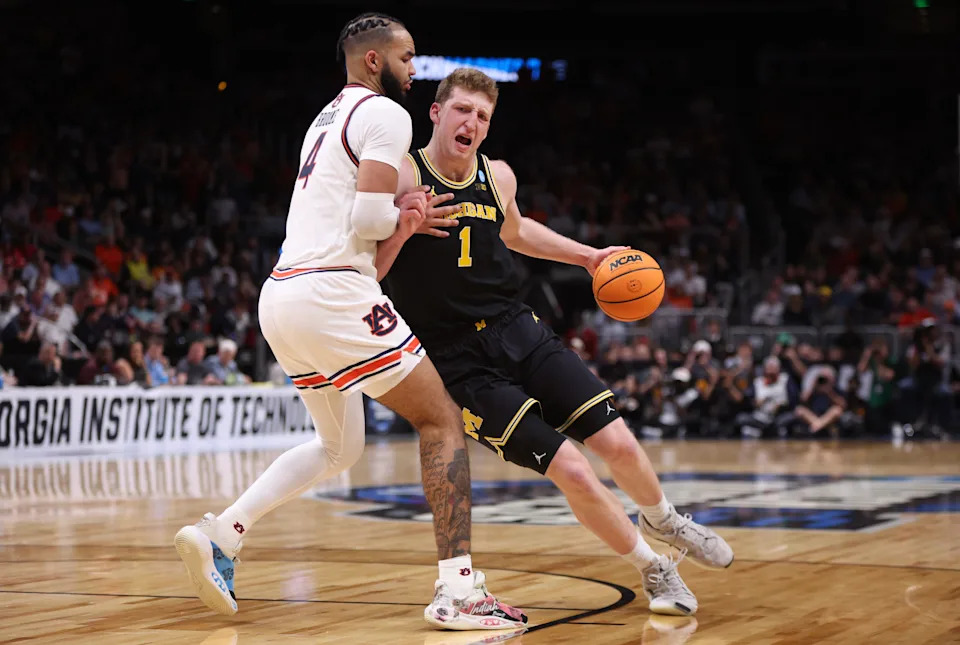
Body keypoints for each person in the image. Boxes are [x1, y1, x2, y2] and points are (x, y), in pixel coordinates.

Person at [173, 15, 525, 632]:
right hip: (333, 292)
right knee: (441, 419)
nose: (415, 69)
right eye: (408, 57)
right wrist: (400, 208)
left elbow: (366, 232)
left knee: (340, 447)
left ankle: (222, 534)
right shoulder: (388, 115)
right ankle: (458, 591)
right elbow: (366, 221)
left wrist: (403, 217)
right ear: (373, 61)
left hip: (283, 295)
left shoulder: (325, 117)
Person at [377, 68, 734, 617]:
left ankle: (665, 519)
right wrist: (401, 228)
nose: (471, 123)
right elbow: (365, 263)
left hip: (518, 328)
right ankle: (654, 569)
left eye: (483, 116)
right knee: (572, 469)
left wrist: (588, 257)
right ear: (435, 112)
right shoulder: (403, 174)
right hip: (458, 361)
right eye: (463, 110)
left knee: (619, 443)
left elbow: (516, 232)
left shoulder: (498, 177)